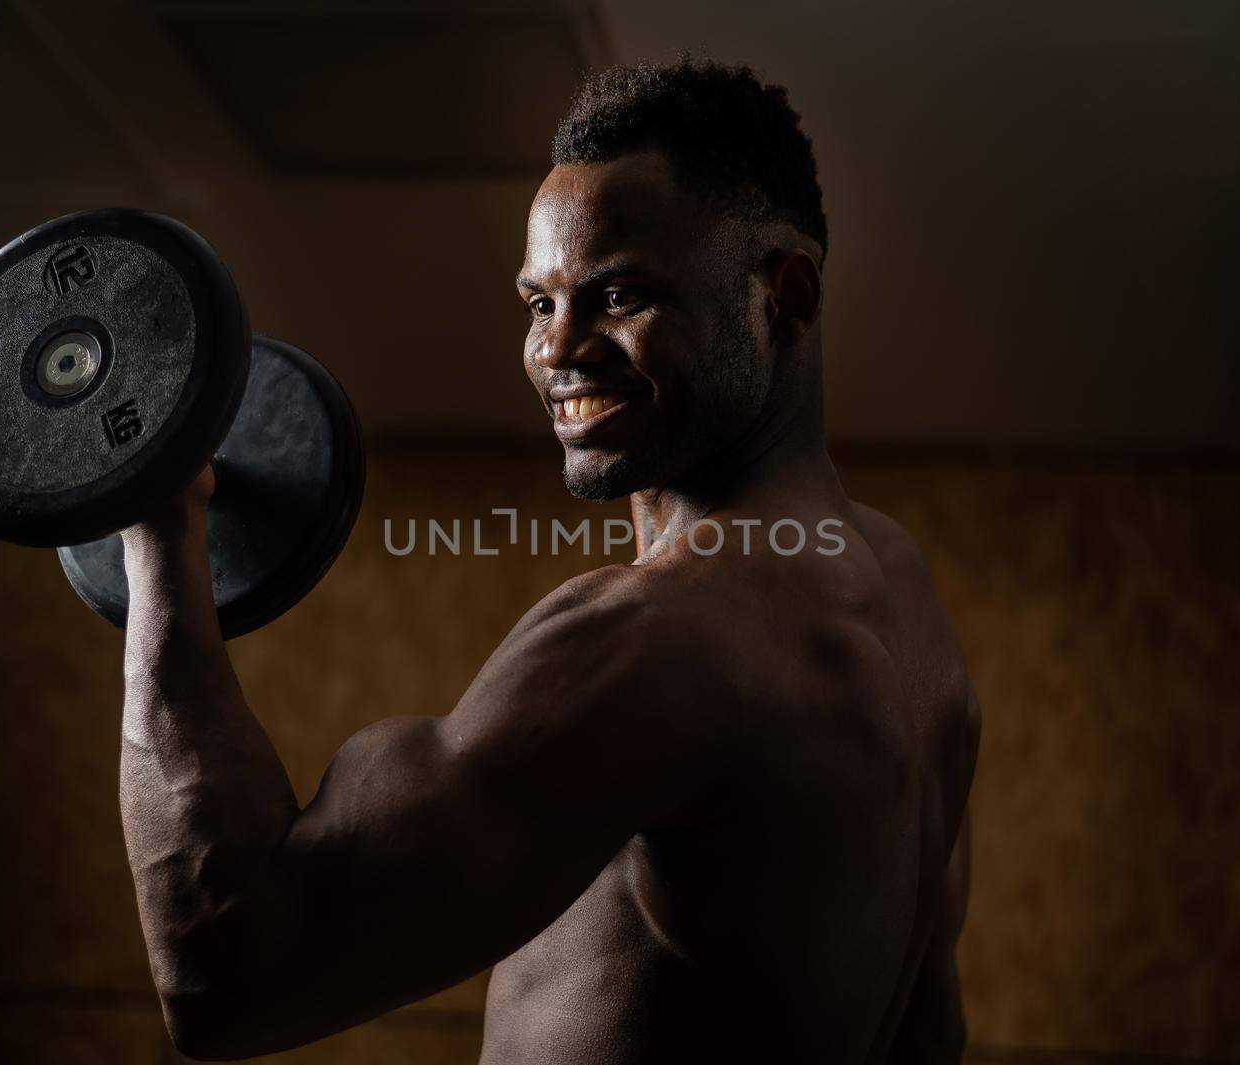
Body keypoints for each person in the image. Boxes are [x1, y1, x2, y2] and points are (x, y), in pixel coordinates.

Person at [116, 57, 980, 1064]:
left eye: (616, 294)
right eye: (538, 303)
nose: (557, 350)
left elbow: (227, 971)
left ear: (783, 296)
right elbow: (925, 1031)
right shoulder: (899, 600)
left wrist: (154, 528)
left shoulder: (666, 641)